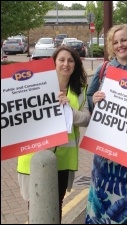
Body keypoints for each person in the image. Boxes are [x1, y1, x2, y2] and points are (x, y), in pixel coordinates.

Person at [17, 46, 91, 222]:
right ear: (54, 63)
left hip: (63, 160)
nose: (66, 64)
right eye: (62, 60)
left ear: (75, 65)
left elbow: (87, 119)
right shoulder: (35, 86)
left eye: (71, 60)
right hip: (34, 157)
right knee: (36, 207)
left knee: (56, 206)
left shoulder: (79, 90)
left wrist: (68, 110)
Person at [85, 24, 127, 224]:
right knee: (101, 202)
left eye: (124, 40)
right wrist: (94, 101)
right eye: (116, 42)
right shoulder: (105, 69)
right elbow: (89, 95)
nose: (120, 45)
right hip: (104, 148)